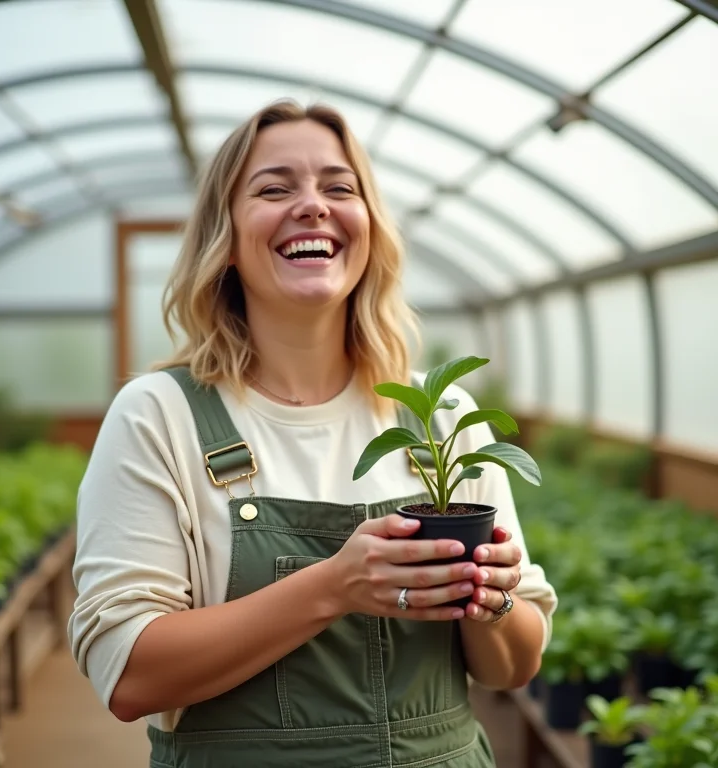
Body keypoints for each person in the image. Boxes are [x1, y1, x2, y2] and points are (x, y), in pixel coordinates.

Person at [68, 99, 557, 768]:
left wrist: (492, 600)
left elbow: (513, 668)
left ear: (370, 229)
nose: (312, 206)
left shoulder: (439, 418)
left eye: (339, 188)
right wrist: (334, 585)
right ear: (225, 238)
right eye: (274, 190)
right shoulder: (160, 415)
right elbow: (128, 674)